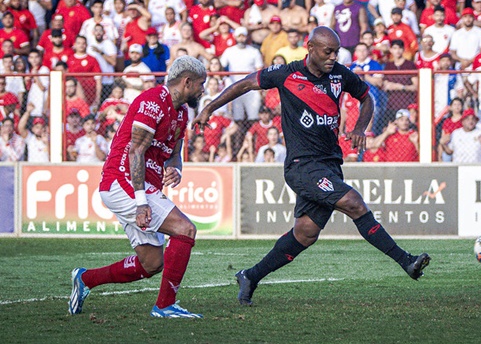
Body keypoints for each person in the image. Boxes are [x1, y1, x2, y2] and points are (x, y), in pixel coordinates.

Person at [193, 26, 430, 306]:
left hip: (329, 164)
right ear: (310, 48)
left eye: (336, 52)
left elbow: (366, 98)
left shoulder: (340, 74)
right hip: (301, 165)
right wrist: (209, 108)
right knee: (354, 202)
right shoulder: (286, 74)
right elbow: (244, 84)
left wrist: (360, 127)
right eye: (327, 51)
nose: (332, 57)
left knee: (305, 233)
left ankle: (250, 275)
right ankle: (406, 262)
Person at [68, 56, 207, 318]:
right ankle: (165, 306)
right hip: (124, 181)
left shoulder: (181, 112)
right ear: (187, 82)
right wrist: (141, 201)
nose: (203, 90)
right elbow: (135, 152)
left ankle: (85, 279)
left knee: (151, 263)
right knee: (185, 230)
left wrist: (176, 169)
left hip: (141, 186)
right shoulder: (152, 101)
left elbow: (174, 153)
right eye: (201, 84)